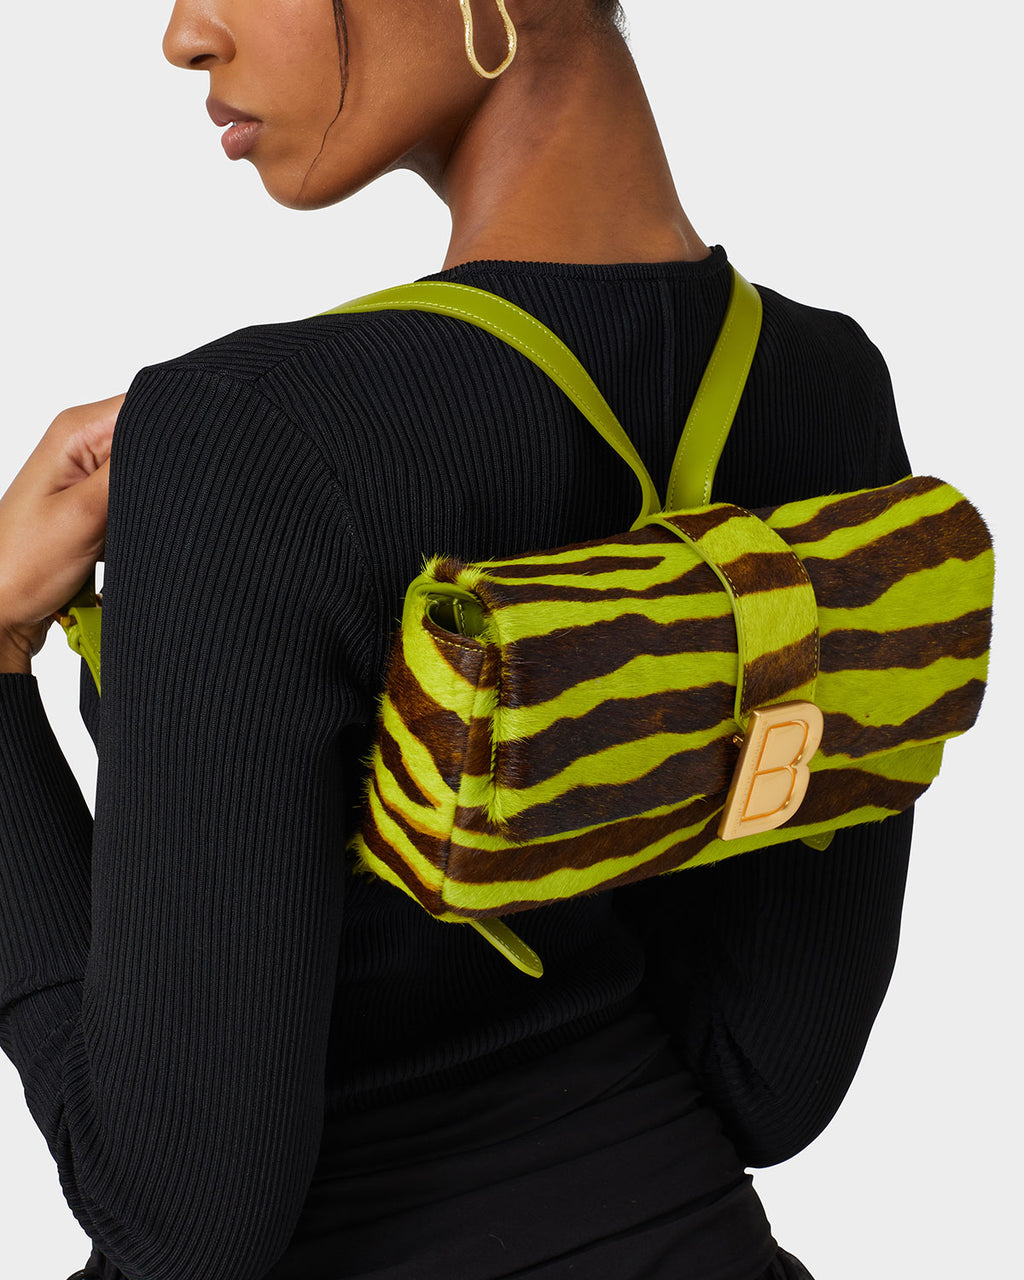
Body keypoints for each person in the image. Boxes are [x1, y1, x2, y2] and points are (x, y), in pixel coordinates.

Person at [0, 2, 916, 1278]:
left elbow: (178, 1220)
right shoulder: (824, 386)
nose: (185, 35)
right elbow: (771, 1079)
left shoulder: (247, 437)